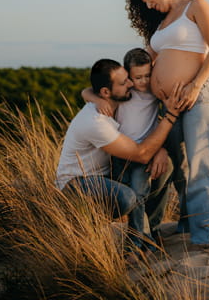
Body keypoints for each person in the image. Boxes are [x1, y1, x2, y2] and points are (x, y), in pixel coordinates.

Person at [126, 0, 209, 246]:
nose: (147, 4)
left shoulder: (196, 5)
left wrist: (194, 86)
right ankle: (186, 228)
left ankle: (205, 237)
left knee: (201, 164)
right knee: (177, 167)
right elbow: (142, 61)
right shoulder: (161, 23)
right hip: (169, 106)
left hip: (199, 95)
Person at [55, 57, 182, 251]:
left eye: (129, 78)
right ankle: (95, 229)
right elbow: (141, 154)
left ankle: (151, 233)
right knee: (127, 197)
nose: (131, 84)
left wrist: (162, 149)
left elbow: (88, 91)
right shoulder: (95, 122)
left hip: (108, 174)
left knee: (166, 166)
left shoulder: (117, 102)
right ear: (106, 92)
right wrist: (171, 115)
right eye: (124, 83)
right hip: (77, 184)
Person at [82, 48, 173, 246]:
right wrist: (97, 99)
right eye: (138, 77)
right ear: (128, 76)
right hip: (121, 153)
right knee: (130, 197)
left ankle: (138, 242)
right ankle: (140, 238)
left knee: (139, 193)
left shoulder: (155, 91)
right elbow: (87, 91)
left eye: (147, 75)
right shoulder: (124, 93)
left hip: (144, 154)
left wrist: (162, 148)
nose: (143, 81)